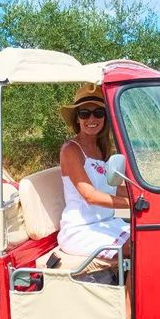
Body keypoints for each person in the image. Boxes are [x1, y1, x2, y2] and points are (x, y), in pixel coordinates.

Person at [58, 83, 131, 261]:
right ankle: (130, 290)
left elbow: (112, 189)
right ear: (77, 119)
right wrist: (133, 204)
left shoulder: (102, 149)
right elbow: (90, 196)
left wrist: (145, 195)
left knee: (150, 236)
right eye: (85, 113)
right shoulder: (71, 150)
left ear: (105, 117)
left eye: (98, 113)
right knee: (139, 247)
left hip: (107, 223)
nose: (92, 119)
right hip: (81, 230)